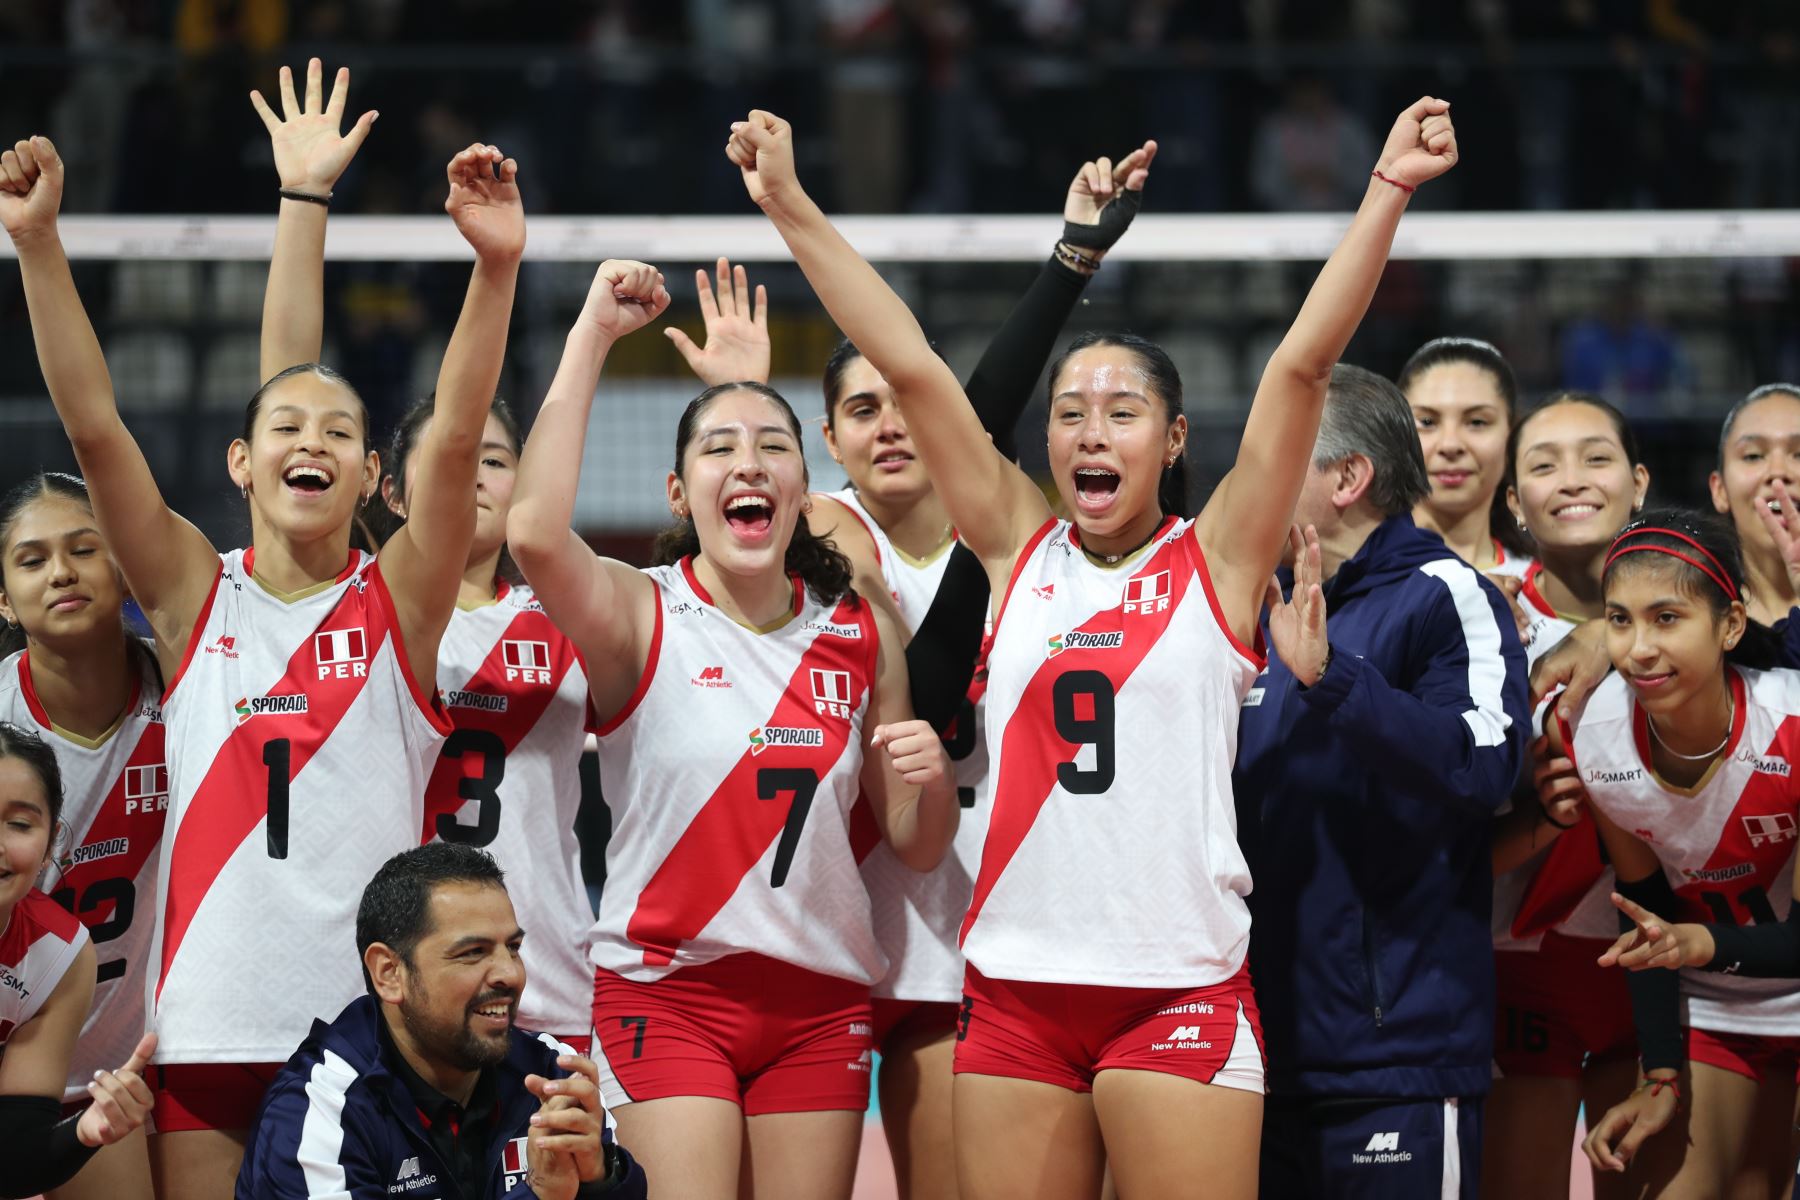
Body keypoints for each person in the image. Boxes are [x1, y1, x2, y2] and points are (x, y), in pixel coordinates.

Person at [733, 97, 1460, 1199]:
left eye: (1122, 412)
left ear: (1174, 440)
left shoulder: (1216, 560)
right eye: (1070, 411)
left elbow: (1303, 369)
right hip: (1017, 989)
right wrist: (791, 207)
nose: (1088, 429)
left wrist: (1386, 190)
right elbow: (912, 363)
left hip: (1177, 984)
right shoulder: (1019, 545)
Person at [0, 57, 521, 1193]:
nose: (313, 442)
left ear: (371, 471)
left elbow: (459, 426)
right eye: (287, 426)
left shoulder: (400, 599)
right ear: (241, 464)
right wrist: (39, 246)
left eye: (341, 432)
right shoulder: (196, 597)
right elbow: (96, 433)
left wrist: (496, 268)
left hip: (365, 1037)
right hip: (209, 1027)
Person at [664, 142, 1155, 1200]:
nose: (891, 423)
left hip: (1000, 910)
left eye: (904, 402)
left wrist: (1071, 257)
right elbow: (923, 690)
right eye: (860, 409)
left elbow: (967, 428)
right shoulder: (829, 529)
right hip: (841, 915)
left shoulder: (1027, 523)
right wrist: (745, 394)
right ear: (831, 440)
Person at [507, 259, 958, 1200]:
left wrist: (935, 780)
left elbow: (916, 845)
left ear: (805, 484)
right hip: (667, 993)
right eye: (718, 448)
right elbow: (537, 535)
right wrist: (591, 332)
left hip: (821, 999)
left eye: (772, 448)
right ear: (678, 493)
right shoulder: (639, 614)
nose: (747, 464)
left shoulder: (860, 630)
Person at [252, 71, 597, 1049]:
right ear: (391, 496)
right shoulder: (361, 607)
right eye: (462, 463)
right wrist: (304, 200)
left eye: (502, 460)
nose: (479, 477)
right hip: (384, 994)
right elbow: (287, 385)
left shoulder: (566, 619)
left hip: (549, 980)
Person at [1235, 365, 1529, 1198]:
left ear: (1349, 477)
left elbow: (1485, 760)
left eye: (1277, 452)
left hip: (1394, 1053)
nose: (1248, 477)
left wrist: (1332, 677)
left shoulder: (1446, 595)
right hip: (1249, 1050)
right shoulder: (1252, 603)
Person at [1548, 511, 1797, 1197]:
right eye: (1619, 620)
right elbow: (1647, 913)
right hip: (1715, 1007)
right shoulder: (1596, 735)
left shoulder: (1794, 722)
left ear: (1730, 625)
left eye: (1666, 618)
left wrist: (1696, 944)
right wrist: (1659, 1071)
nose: (1639, 648)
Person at [236, 842, 645, 1198]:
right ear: (389, 973)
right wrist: (538, 1194)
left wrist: (602, 1178)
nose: (510, 973)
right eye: (473, 952)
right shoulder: (318, 1111)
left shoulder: (551, 1072)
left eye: (513, 947)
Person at [1478, 394, 1647, 1200]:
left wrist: (1605, 631)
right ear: (1513, 501)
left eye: (1596, 457)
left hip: (1662, 959)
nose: (1572, 479)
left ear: (1640, 483)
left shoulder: (1713, 608)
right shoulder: (1483, 615)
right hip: (1523, 964)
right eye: (1543, 465)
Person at [0, 474, 165, 1200]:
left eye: (83, 549)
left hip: (168, 1055)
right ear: (2, 597)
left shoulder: (192, 685)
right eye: (32, 559)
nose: (61, 572)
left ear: (124, 563)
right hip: (24, 1075)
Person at [0, 722, 157, 1200]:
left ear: (50, 848)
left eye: (20, 824)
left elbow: (12, 1160)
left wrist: (83, 1132)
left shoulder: (58, 955)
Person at [1401, 336, 1525, 576]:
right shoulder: (1352, 577)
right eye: (1426, 422)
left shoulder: (1545, 591)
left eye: (1477, 422)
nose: (1450, 444)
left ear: (1512, 437)